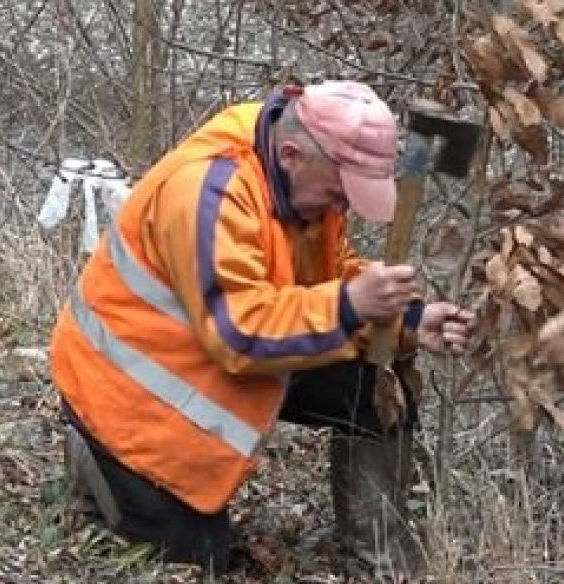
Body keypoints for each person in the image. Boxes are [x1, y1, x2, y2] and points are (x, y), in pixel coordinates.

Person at [49, 80, 474, 577]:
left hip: (211, 355)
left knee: (378, 391)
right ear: (292, 155)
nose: (341, 208)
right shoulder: (210, 191)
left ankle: (383, 564)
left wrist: (407, 321)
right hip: (125, 398)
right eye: (338, 193)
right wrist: (350, 304)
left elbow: (329, 280)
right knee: (198, 558)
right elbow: (240, 337)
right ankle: (92, 459)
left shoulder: (305, 185)